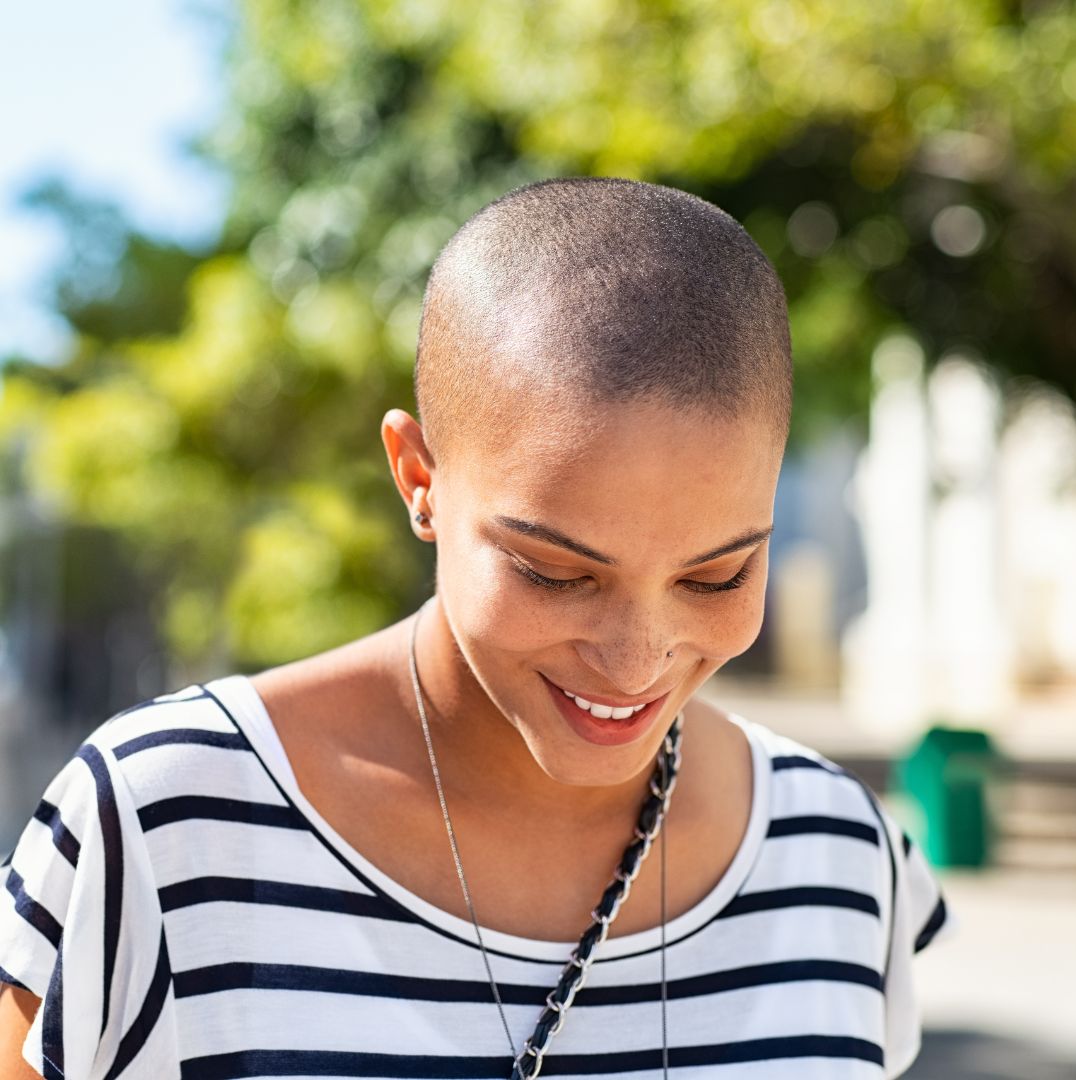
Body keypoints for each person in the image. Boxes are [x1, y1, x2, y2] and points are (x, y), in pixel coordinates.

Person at [0, 177, 950, 1079]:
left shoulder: (842, 856)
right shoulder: (169, 822)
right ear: (419, 478)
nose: (634, 659)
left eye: (717, 575)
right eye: (556, 572)